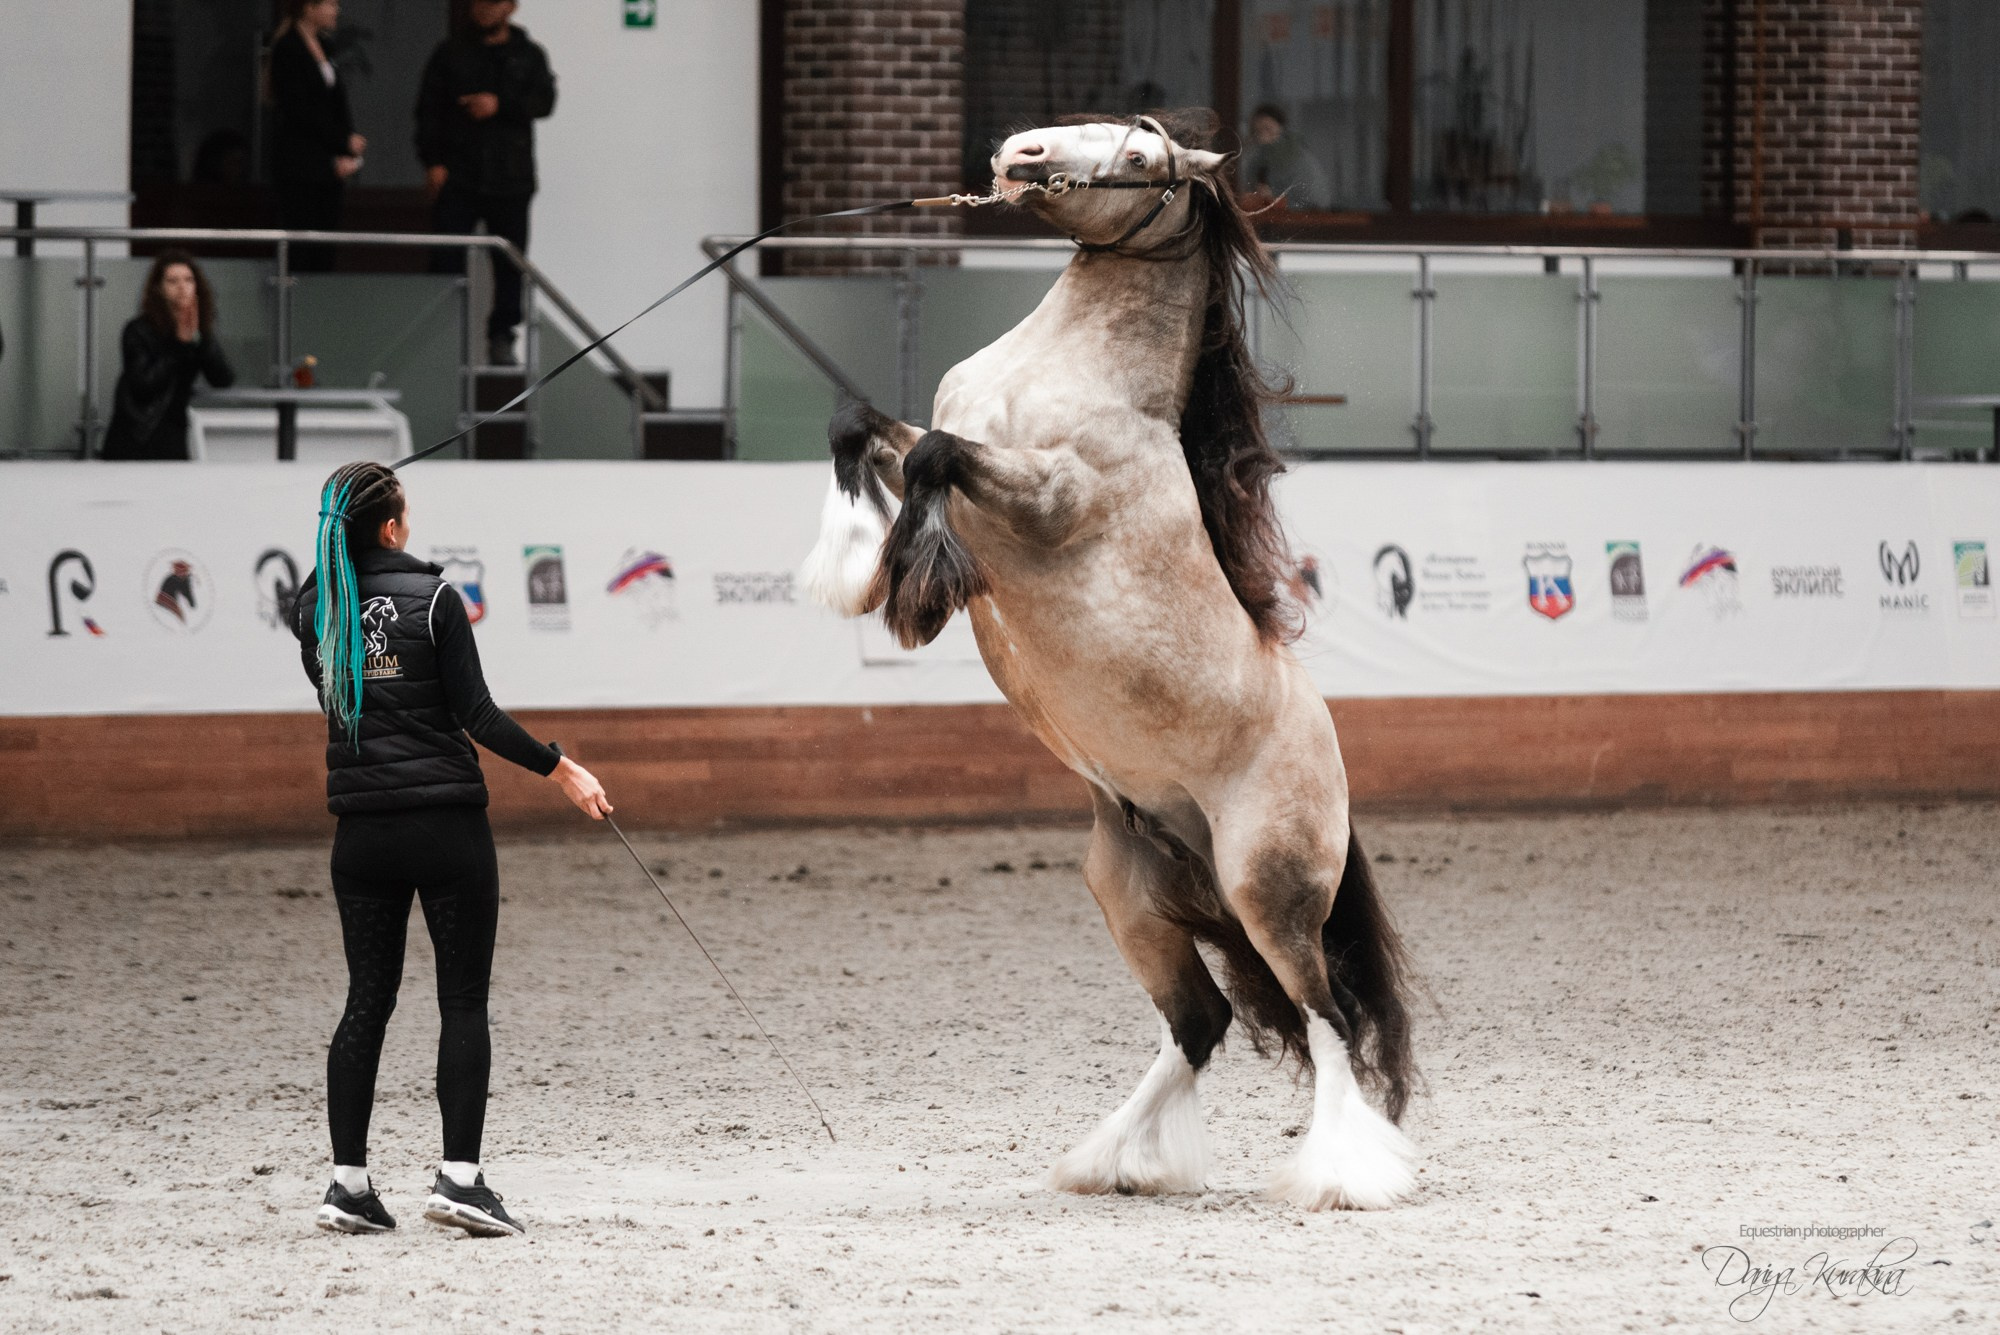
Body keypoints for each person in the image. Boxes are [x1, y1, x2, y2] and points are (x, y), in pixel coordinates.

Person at [291, 460, 612, 1238]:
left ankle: (348, 1185)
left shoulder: (316, 611)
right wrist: (559, 765)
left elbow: (328, 572)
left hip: (360, 836)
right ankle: (461, 1180)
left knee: (366, 1002)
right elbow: (478, 714)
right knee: (462, 1001)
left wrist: (343, 513)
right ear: (395, 528)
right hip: (445, 829)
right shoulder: (434, 598)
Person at [416, 0, 557, 366]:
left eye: (492, 2)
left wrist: (500, 105)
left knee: (509, 266)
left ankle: (502, 337)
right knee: (445, 260)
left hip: (511, 178)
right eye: (477, 2)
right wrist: (433, 162)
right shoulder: (450, 53)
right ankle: (440, 339)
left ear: (510, 7)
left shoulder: (529, 55)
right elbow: (427, 110)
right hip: (459, 175)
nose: (482, 10)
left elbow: (544, 101)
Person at [101, 251, 235, 460]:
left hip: (173, 435)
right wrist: (179, 345)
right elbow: (143, 384)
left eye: (189, 280)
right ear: (159, 289)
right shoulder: (139, 330)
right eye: (172, 281)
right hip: (137, 435)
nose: (182, 287)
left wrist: (202, 339)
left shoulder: (197, 334)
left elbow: (223, 378)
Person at [267, 0, 366, 272]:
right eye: (331, 3)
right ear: (309, 7)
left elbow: (335, 104)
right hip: (301, 165)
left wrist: (349, 146)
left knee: (325, 247)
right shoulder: (287, 49)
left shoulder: (326, 47)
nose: (337, 10)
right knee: (302, 246)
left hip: (329, 167)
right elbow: (300, 110)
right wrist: (340, 140)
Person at [1242, 103, 1332, 212]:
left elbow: (1314, 199)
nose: (1262, 137)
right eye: (1257, 131)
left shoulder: (1298, 158)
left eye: (1268, 129)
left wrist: (1274, 198)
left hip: (1304, 220)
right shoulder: (1254, 160)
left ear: (1281, 129)